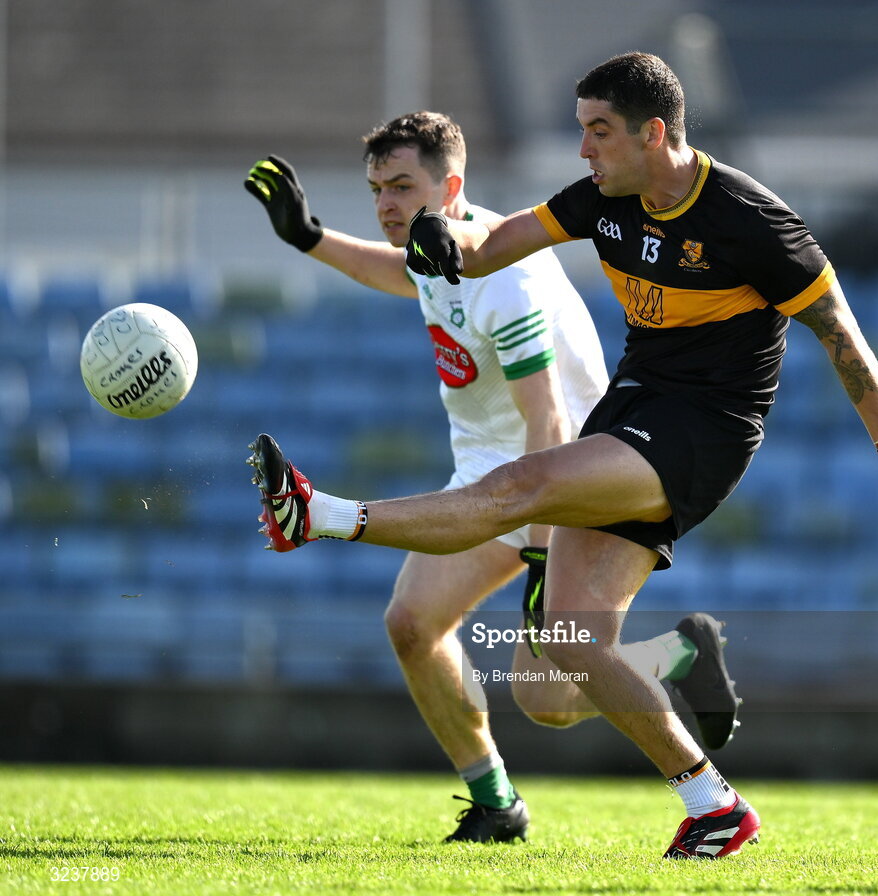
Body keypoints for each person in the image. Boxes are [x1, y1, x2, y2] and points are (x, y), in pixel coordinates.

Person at [246, 55, 878, 859]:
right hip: (633, 404)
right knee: (555, 676)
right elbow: (498, 241)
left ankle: (320, 514)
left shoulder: (751, 221)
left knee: (520, 485)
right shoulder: (603, 198)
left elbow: (841, 334)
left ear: (653, 134)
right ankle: (714, 802)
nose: (583, 150)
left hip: (704, 429)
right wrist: (448, 235)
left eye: (598, 132)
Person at [244, 111, 744, 846]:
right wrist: (309, 236)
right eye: (377, 187)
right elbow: (401, 273)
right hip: (490, 468)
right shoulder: (437, 243)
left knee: (546, 695)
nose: (384, 204)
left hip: (563, 473)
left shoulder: (503, 277)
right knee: (413, 625)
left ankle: (679, 660)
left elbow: (546, 428)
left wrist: (542, 555)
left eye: (402, 186)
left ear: (450, 186)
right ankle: (496, 801)